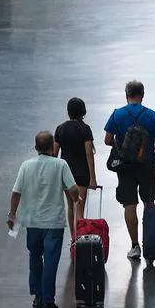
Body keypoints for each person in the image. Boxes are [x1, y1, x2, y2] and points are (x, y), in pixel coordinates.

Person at [8, 130, 80, 308]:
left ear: (35, 147)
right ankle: (48, 299)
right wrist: (75, 197)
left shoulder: (26, 166)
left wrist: (12, 214)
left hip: (32, 221)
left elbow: (16, 192)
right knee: (51, 261)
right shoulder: (60, 165)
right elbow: (73, 191)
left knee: (34, 256)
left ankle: (37, 296)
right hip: (53, 223)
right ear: (52, 148)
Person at [103, 80, 155, 259]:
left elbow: (107, 140)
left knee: (129, 205)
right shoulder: (152, 115)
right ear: (142, 95)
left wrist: (122, 145)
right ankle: (151, 242)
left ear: (126, 95)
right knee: (149, 202)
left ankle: (135, 246)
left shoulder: (117, 115)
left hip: (125, 167)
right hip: (147, 166)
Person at [53, 97, 98, 243]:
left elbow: (54, 154)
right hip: (82, 174)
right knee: (79, 208)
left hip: (66, 174)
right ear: (83, 112)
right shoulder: (85, 129)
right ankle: (80, 240)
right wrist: (93, 178)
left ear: (68, 112)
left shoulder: (60, 128)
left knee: (71, 207)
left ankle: (73, 238)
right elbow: (88, 154)